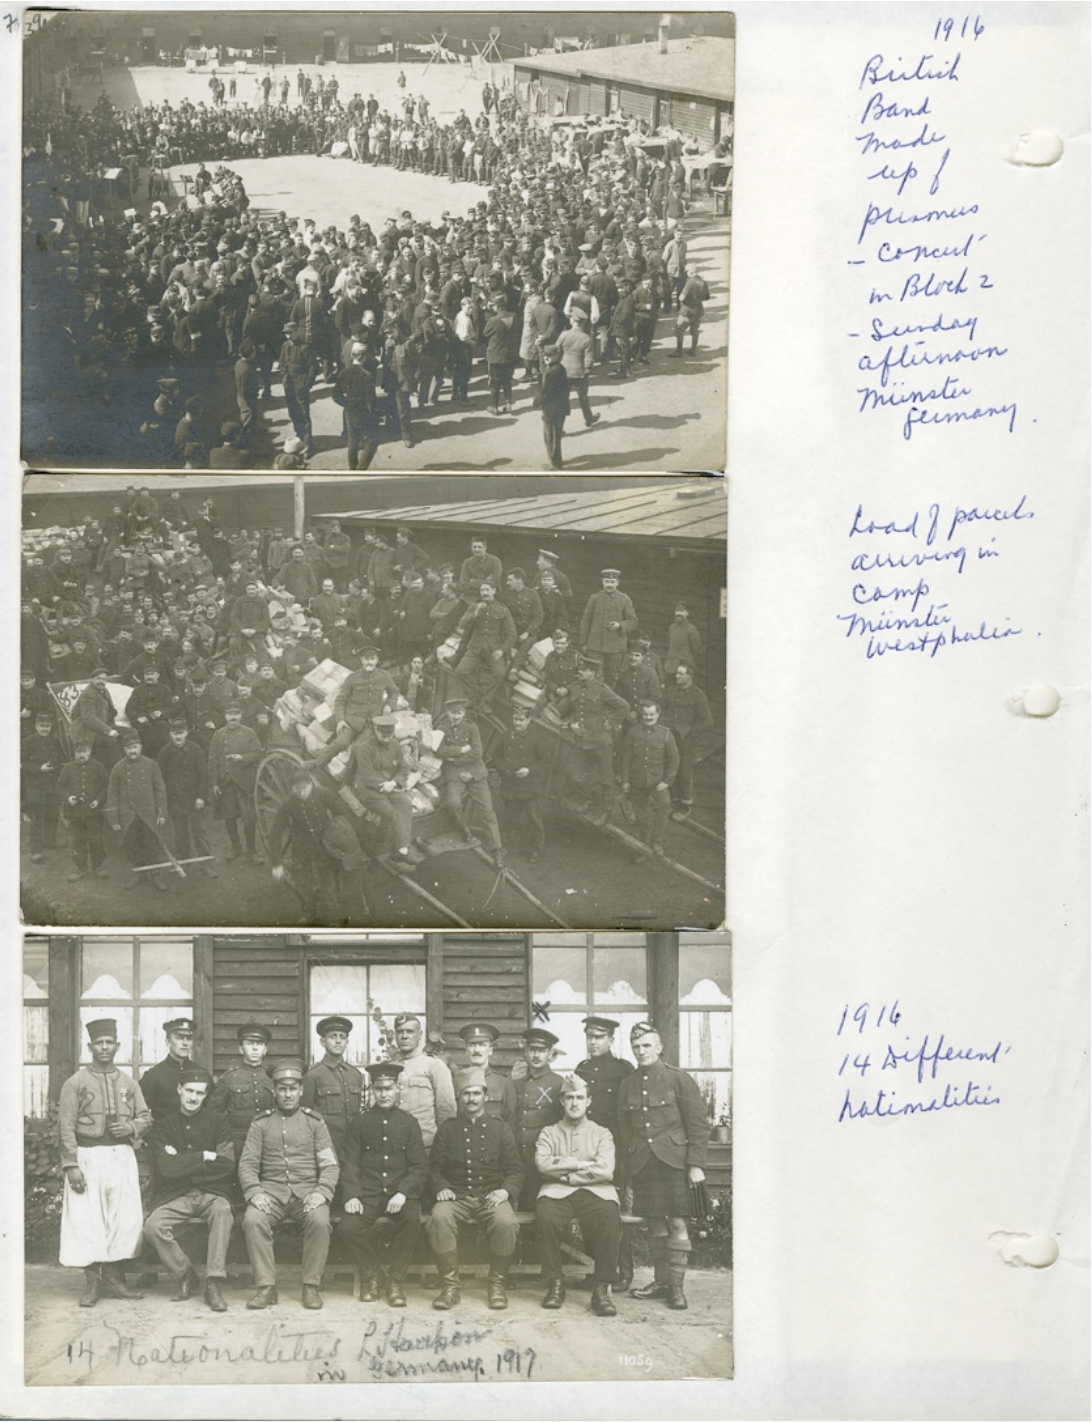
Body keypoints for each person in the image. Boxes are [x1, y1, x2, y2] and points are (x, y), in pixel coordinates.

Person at [57, 1017, 151, 1307]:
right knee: (87, 1220)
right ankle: (92, 1283)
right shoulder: (75, 1083)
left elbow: (146, 1116)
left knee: (123, 1218)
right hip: (88, 1156)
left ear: (117, 1045)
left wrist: (132, 1128)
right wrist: (71, 1165)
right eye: (99, 1042)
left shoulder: (129, 1083)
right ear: (90, 1046)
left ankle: (115, 1277)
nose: (105, 1047)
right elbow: (65, 1125)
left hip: (121, 1156)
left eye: (109, 1042)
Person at [619, 1022, 709, 1310]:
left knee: (678, 1222)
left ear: (659, 1048)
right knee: (654, 1224)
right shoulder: (628, 1084)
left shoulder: (678, 1080)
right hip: (644, 1163)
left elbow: (698, 1125)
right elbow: (625, 1130)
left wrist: (695, 1164)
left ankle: (677, 1289)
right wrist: (629, 1168)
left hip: (675, 1162)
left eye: (647, 1045)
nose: (641, 1051)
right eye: (636, 1046)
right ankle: (661, 1282)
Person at [239, 1059, 340, 1311]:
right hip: (270, 1194)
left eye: (292, 1089)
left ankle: (310, 1286)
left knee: (319, 1221)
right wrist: (254, 1192)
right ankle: (266, 1287)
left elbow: (330, 1165)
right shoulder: (260, 1123)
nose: (287, 1095)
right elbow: (247, 1164)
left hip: (307, 1193)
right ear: (274, 1091)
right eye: (282, 1089)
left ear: (301, 1091)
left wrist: (322, 1192)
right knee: (253, 1220)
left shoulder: (315, 1123)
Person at [426, 1066, 524, 1312]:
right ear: (460, 1098)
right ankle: (450, 1287)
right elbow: (434, 1169)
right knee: (439, 1217)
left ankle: (497, 1284)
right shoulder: (447, 1130)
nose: (471, 1099)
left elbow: (515, 1170)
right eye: (466, 1094)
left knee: (507, 1223)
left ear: (485, 1096)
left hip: (490, 1195)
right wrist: (442, 1186)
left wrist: (505, 1192)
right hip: (456, 1195)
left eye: (476, 1093)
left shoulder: (500, 1128)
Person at [143, 1066, 235, 1313]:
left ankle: (213, 1282)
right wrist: (204, 1156)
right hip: (178, 1194)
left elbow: (226, 1163)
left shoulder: (219, 1122)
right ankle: (185, 1274)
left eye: (200, 1093)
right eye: (189, 1091)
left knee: (223, 1212)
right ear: (179, 1090)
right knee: (153, 1226)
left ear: (206, 1095)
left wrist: (182, 1159)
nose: (194, 1098)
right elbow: (165, 1168)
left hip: (211, 1193)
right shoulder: (164, 1126)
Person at [336, 1060, 428, 1307]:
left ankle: (396, 1280)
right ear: (372, 1090)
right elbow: (350, 1163)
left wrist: (403, 1193)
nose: (384, 1094)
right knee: (348, 1226)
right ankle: (373, 1275)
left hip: (399, 1194)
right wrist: (353, 1195)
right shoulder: (360, 1123)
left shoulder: (409, 1123)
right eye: (379, 1089)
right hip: (369, 1194)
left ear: (397, 1089)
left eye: (388, 1088)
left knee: (411, 1219)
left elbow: (419, 1166)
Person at [534, 1075, 624, 1316]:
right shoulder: (549, 1132)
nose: (575, 1103)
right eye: (570, 1097)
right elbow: (542, 1164)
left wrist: (567, 1172)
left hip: (595, 1192)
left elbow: (606, 1169)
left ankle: (601, 1288)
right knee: (545, 1215)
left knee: (609, 1216)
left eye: (580, 1098)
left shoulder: (602, 1133)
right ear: (562, 1101)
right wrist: (580, 1163)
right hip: (556, 1192)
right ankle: (555, 1284)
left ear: (589, 1101)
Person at [575, 1015, 636, 1288]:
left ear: (611, 1040)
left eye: (599, 1037)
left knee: (614, 1214)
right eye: (589, 1036)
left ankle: (623, 1273)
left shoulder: (623, 1070)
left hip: (614, 1152)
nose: (593, 1042)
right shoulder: (582, 1068)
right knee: (589, 1212)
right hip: (586, 1150)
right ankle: (600, 1270)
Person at [269, 767, 358, 924]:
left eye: (304, 789)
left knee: (326, 881)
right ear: (292, 789)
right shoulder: (288, 804)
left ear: (311, 784)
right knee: (303, 881)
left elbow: (342, 810)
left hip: (325, 845)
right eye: (297, 790)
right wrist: (276, 863)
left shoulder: (323, 793)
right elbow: (275, 833)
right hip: (302, 848)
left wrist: (336, 829)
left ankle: (332, 916)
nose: (301, 794)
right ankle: (308, 912)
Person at [558, 653, 629, 826]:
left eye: (583, 670)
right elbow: (570, 708)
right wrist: (572, 724)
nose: (579, 672)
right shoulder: (574, 687)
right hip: (581, 740)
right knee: (576, 771)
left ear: (593, 673)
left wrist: (610, 723)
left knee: (606, 778)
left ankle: (606, 810)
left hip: (600, 741)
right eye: (579, 669)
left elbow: (624, 706)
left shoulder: (602, 690)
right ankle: (589, 799)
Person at [435, 695, 505, 866]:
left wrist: (457, 760)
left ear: (464, 712)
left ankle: (497, 850)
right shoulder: (442, 729)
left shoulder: (471, 727)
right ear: (447, 713)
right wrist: (461, 749)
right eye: (453, 713)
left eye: (459, 713)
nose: (456, 716)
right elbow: (439, 751)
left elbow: (477, 753)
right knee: (452, 803)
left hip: (475, 773)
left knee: (487, 812)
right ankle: (464, 829)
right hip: (455, 774)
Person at [347, 713, 415, 872]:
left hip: (390, 787)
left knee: (405, 803)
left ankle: (401, 851)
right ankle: (399, 851)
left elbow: (403, 768)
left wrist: (394, 782)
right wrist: (384, 786)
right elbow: (367, 776)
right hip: (370, 791)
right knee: (392, 813)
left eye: (389, 735)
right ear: (376, 731)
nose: (386, 739)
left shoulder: (395, 745)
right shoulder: (365, 748)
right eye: (383, 735)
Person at [302, 1015, 365, 1186]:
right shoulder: (313, 1075)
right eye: (332, 1037)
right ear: (323, 1042)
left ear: (347, 1042)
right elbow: (306, 1116)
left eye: (342, 1037)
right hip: (326, 1145)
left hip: (352, 1145)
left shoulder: (355, 1075)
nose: (338, 1041)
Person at [208, 1024, 276, 1176]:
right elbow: (213, 1114)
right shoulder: (229, 1078)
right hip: (238, 1143)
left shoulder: (273, 1078)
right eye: (249, 1043)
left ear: (265, 1050)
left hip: (269, 1142)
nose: (254, 1048)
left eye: (259, 1044)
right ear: (240, 1049)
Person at [106, 730, 170, 890]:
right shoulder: (118, 768)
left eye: (135, 747)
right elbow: (112, 795)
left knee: (151, 846)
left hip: (148, 814)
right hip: (128, 815)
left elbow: (160, 789)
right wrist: (114, 819)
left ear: (140, 747)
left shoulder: (151, 765)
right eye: (128, 748)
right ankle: (139, 874)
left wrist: (162, 812)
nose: (132, 751)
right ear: (124, 749)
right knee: (132, 846)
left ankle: (155, 875)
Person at [512, 1027, 566, 1210]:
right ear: (525, 1052)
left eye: (541, 1050)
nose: (536, 1055)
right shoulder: (517, 1083)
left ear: (550, 1053)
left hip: (545, 1160)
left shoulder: (559, 1083)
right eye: (532, 1050)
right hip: (519, 1158)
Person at [158, 715, 218, 877]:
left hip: (194, 800)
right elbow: (160, 778)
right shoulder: (165, 752)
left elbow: (204, 775)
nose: (178, 737)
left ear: (186, 733)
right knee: (180, 834)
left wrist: (201, 797)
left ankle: (206, 864)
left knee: (200, 833)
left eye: (181, 733)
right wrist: (164, 802)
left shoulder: (195, 749)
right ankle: (184, 862)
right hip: (175, 801)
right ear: (170, 734)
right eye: (175, 733)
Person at [488, 703, 549, 863]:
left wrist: (529, 770)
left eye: (522, 720)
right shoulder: (506, 735)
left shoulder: (536, 738)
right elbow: (496, 756)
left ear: (529, 720)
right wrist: (505, 770)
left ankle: (535, 849)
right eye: (515, 719)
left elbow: (543, 762)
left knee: (534, 819)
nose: (518, 723)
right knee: (509, 817)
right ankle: (505, 846)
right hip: (511, 785)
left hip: (530, 787)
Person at [620, 700, 680, 860]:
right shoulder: (633, 732)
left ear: (658, 715)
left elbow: (674, 760)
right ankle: (644, 846)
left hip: (657, 781)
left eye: (652, 714)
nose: (648, 717)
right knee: (643, 816)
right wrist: (625, 780)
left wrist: (667, 781)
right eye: (645, 714)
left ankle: (656, 842)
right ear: (642, 715)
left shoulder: (666, 734)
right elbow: (626, 758)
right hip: (637, 780)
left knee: (665, 804)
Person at [386, 1012, 456, 1149]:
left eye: (410, 1031)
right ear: (395, 1035)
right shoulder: (389, 1068)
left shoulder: (435, 1066)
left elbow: (446, 1112)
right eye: (400, 1031)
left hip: (425, 1147)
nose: (404, 1036)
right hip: (393, 1147)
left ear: (420, 1034)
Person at [208, 703, 264, 863]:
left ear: (241, 715)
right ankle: (235, 846)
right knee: (229, 816)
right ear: (225, 716)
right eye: (229, 714)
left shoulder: (249, 733)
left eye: (236, 713)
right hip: (226, 783)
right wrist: (214, 783)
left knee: (248, 818)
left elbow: (257, 754)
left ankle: (251, 850)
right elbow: (212, 760)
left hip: (244, 783)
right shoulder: (218, 734)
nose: (233, 717)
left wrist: (243, 758)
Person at [661, 662, 714, 822]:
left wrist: (690, 733)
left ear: (690, 676)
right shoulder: (671, 691)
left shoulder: (698, 695)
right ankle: (674, 801)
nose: (677, 676)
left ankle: (685, 806)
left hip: (686, 741)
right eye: (677, 673)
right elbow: (661, 707)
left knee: (684, 772)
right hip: (669, 736)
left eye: (681, 674)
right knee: (670, 768)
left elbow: (707, 721)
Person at [57, 738, 109, 881]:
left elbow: (106, 786)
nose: (81, 755)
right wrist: (68, 798)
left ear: (89, 751)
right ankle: (81, 868)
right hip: (75, 813)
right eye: (78, 752)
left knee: (96, 840)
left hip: (94, 812)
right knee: (78, 841)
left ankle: (98, 866)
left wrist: (98, 800)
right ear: (74, 753)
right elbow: (60, 788)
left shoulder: (98, 767)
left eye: (84, 752)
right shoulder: (67, 768)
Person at [580, 568, 639, 687]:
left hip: (615, 647)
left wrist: (620, 625)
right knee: (594, 675)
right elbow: (585, 621)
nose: (609, 585)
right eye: (607, 581)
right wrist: (583, 643)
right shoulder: (594, 598)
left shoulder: (624, 600)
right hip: (595, 646)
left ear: (617, 583)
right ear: (602, 582)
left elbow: (633, 621)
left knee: (612, 677)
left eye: (612, 582)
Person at [21, 710, 64, 863]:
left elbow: (61, 759)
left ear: (51, 726)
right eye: (41, 725)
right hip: (35, 786)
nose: (44, 728)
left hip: (52, 784)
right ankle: (36, 850)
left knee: (53, 814)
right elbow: (22, 765)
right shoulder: (28, 741)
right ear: (36, 725)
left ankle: (50, 841)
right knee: (37, 817)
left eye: (47, 725)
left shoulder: (55, 740)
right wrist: (39, 768)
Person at [139, 1016, 200, 1122]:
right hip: (164, 1137)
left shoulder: (201, 1073)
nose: (185, 1043)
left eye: (189, 1039)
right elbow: (139, 1113)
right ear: (168, 1042)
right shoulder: (153, 1076)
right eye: (179, 1038)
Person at [458, 1022, 517, 1125]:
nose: (476, 1050)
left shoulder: (503, 1083)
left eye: (482, 1044)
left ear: (490, 1050)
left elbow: (511, 1122)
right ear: (466, 1050)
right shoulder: (456, 1081)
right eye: (472, 1045)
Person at [539, 344, 570, 469]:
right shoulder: (560, 368)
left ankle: (555, 463)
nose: (546, 358)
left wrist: (535, 402)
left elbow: (546, 391)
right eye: (545, 356)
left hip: (552, 409)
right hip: (560, 407)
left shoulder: (553, 371)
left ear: (557, 356)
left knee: (550, 437)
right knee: (554, 435)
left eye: (549, 356)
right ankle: (556, 460)